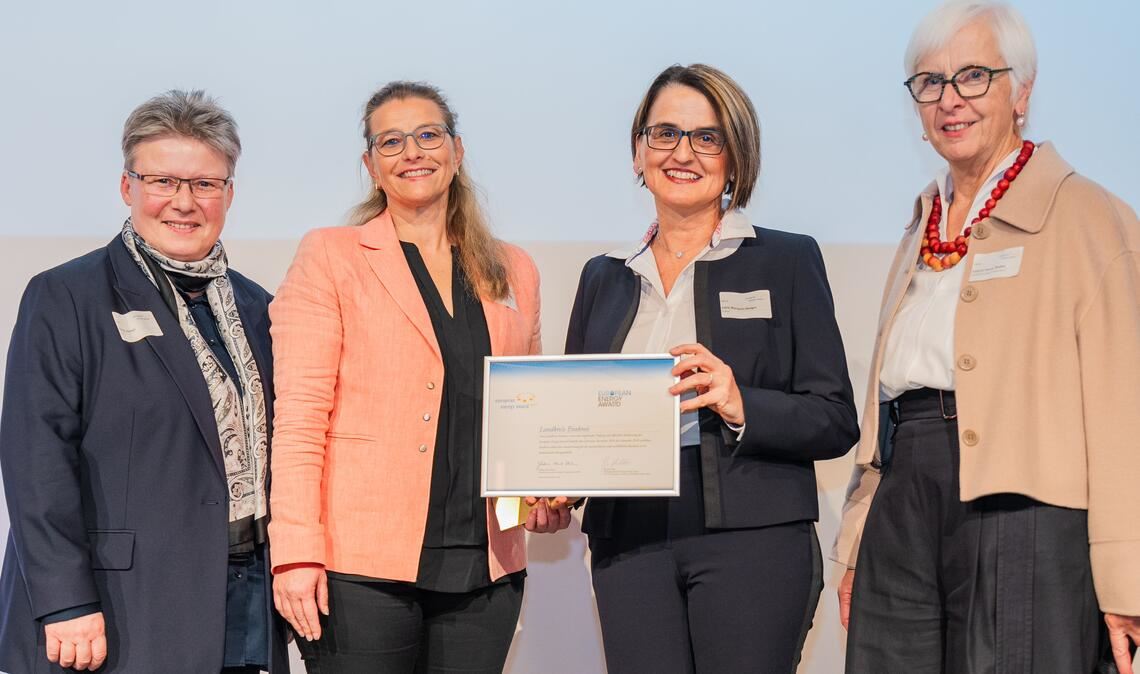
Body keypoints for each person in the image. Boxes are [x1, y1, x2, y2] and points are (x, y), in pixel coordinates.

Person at [833, 2, 1140, 672]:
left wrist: (1127, 581)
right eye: (930, 82)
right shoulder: (924, 221)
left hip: (1026, 507)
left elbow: (1124, 415)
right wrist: (858, 538)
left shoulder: (1089, 216)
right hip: (906, 489)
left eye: (974, 76)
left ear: (1021, 90)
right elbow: (880, 404)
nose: (950, 100)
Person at [564, 64, 858, 673]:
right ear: (639, 150)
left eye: (707, 137)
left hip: (753, 539)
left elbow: (834, 419)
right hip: (629, 542)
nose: (682, 153)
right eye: (664, 133)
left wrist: (739, 400)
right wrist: (554, 489)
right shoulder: (604, 276)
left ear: (736, 156)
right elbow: (578, 420)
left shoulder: (786, 259)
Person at [268, 80, 569, 674]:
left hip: (487, 564)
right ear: (370, 165)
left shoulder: (515, 269)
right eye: (391, 141)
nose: (413, 152)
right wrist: (295, 554)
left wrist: (545, 490)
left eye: (428, 135)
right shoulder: (333, 255)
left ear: (457, 152)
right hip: (358, 568)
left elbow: (530, 410)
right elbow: (299, 419)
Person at [0, 90, 288, 673]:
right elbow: (37, 462)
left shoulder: (258, 308)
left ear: (229, 194)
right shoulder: (66, 296)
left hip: (241, 595)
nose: (184, 202)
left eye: (205, 184)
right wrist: (66, 602)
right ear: (127, 187)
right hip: (116, 609)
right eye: (163, 181)